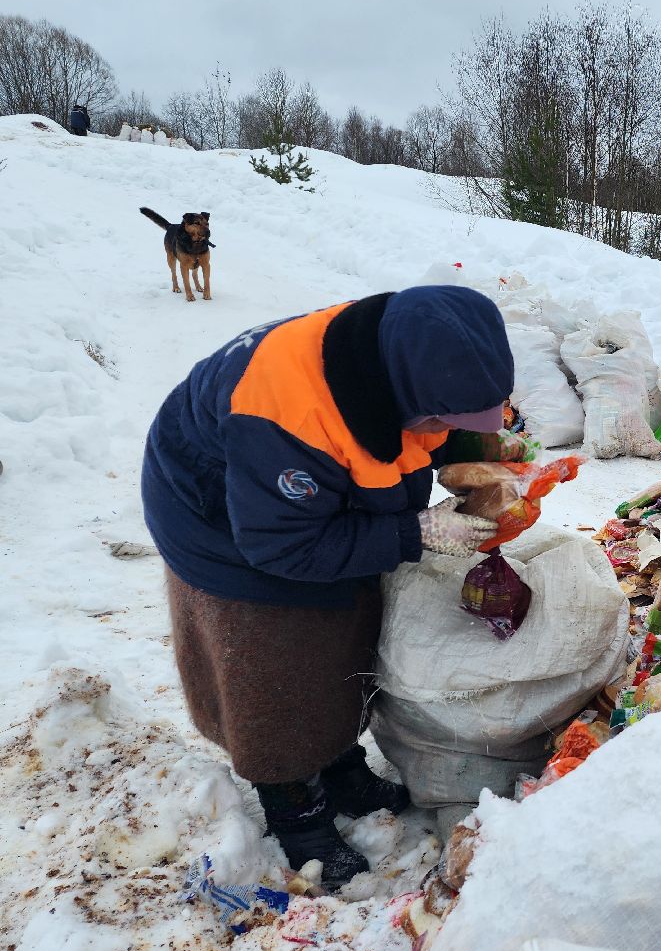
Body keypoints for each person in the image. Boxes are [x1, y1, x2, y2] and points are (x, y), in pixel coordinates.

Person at [142, 286, 512, 886]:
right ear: (411, 393)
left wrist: (480, 440)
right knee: (277, 667)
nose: (445, 428)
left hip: (298, 501)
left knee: (342, 631)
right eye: (446, 418)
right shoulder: (286, 416)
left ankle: (339, 763)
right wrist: (410, 531)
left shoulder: (399, 361)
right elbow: (281, 544)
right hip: (226, 525)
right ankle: (294, 806)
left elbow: (426, 428)